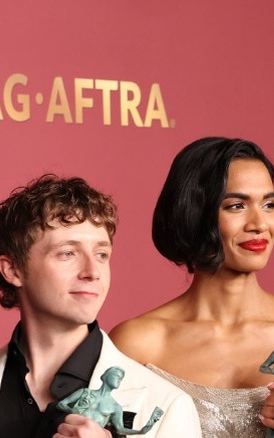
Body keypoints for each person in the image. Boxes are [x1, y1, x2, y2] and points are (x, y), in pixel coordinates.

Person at [0, 175, 201, 438]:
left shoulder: (166, 404)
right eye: (68, 253)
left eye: (101, 255)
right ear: (13, 269)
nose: (93, 271)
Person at [109, 137, 274, 437]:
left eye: (269, 204)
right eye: (236, 206)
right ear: (194, 213)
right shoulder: (137, 343)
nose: (260, 223)